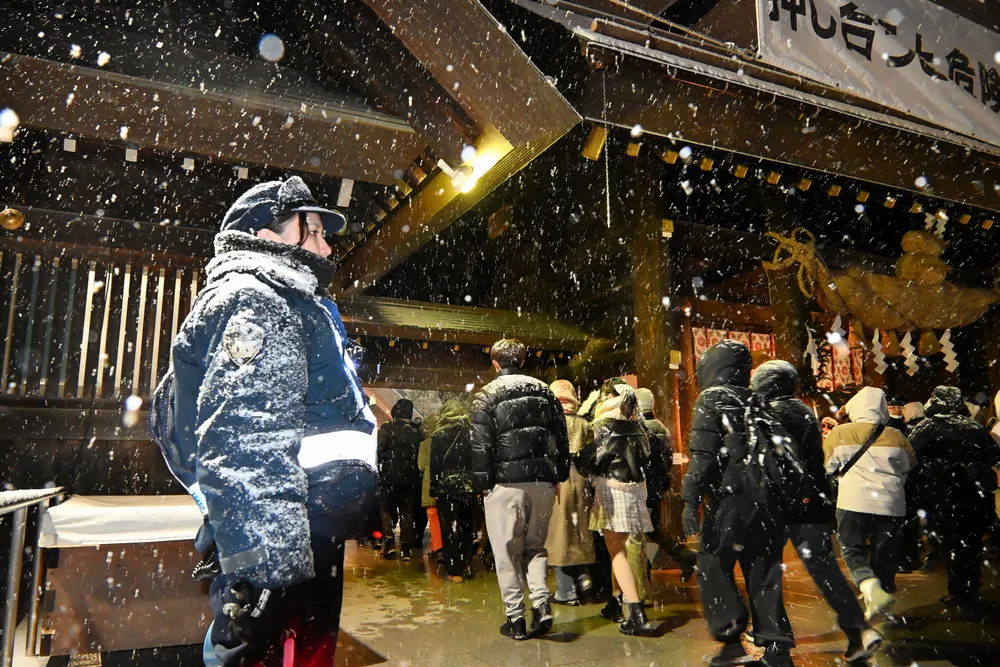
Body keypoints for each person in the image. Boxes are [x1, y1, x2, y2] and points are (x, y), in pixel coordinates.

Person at [160, 176, 379, 667]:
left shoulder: (294, 301)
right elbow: (245, 437)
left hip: (305, 524)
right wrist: (264, 565)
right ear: (266, 235)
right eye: (313, 231)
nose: (326, 246)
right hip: (287, 533)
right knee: (269, 653)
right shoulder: (259, 299)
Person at [751, 361, 881, 663]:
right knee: (825, 570)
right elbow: (813, 459)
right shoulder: (805, 411)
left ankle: (778, 648)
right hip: (813, 502)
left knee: (765, 573)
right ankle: (858, 630)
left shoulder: (763, 413)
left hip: (774, 504)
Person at [681, 340, 794, 667]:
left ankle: (731, 638)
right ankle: (777, 648)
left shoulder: (711, 399)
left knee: (713, 564)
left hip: (730, 499)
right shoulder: (759, 401)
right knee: (764, 570)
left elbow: (703, 457)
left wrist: (690, 500)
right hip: (768, 500)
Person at [471, 338, 571, 640]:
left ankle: (515, 618)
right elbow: (561, 437)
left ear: (495, 363)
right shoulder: (545, 392)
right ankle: (541, 606)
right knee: (535, 547)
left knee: (507, 552)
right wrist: (559, 474)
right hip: (542, 482)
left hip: (505, 484)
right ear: (523, 361)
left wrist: (483, 484)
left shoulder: (486, 395)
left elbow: (481, 445)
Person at [824, 386, 916, 622]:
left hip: (852, 501)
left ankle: (870, 587)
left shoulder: (839, 433)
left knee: (852, 549)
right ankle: (882, 597)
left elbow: (827, 467)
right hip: (891, 503)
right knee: (884, 553)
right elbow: (909, 467)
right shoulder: (896, 436)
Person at [576, 388, 659, 635]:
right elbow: (648, 461)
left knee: (618, 554)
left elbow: (589, 460)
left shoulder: (605, 426)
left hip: (613, 493)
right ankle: (622, 603)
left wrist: (580, 460)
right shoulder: (638, 427)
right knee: (629, 550)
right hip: (635, 492)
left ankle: (636, 613)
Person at [908, 386, 1000, 606]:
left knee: (950, 542)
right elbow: (993, 456)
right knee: (971, 541)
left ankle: (957, 589)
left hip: (941, 494)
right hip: (973, 493)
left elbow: (910, 457)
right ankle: (971, 586)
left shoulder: (926, 427)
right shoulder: (974, 427)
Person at [636, 387, 697, 583]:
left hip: (644, 487)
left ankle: (641, 575)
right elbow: (667, 459)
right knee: (652, 529)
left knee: (640, 531)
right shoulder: (661, 427)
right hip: (657, 486)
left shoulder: (641, 428)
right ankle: (683, 555)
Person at [545, 380, 596, 606]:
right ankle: (584, 577)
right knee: (580, 529)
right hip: (582, 479)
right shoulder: (585, 423)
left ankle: (566, 591)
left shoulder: (551, 423)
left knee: (560, 535)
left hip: (559, 479)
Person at [430, 400, 479, 582]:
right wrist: (478, 485)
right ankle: (465, 563)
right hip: (468, 486)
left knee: (449, 528)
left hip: (446, 487)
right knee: (466, 527)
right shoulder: (471, 433)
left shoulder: (438, 434)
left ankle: (455, 571)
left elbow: (434, 465)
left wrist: (433, 488)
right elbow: (477, 461)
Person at [377, 398, 424, 560]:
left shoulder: (387, 427)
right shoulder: (416, 431)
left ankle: (389, 543)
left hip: (389, 477)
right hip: (410, 477)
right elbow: (420, 453)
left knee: (385, 509)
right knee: (407, 512)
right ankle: (405, 549)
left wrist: (380, 467)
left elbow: (380, 450)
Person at [418, 412, 444, 561]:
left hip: (429, 481)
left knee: (433, 516)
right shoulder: (445, 440)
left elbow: (421, 466)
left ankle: (437, 548)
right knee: (445, 516)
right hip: (443, 480)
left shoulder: (425, 444)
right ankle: (447, 547)